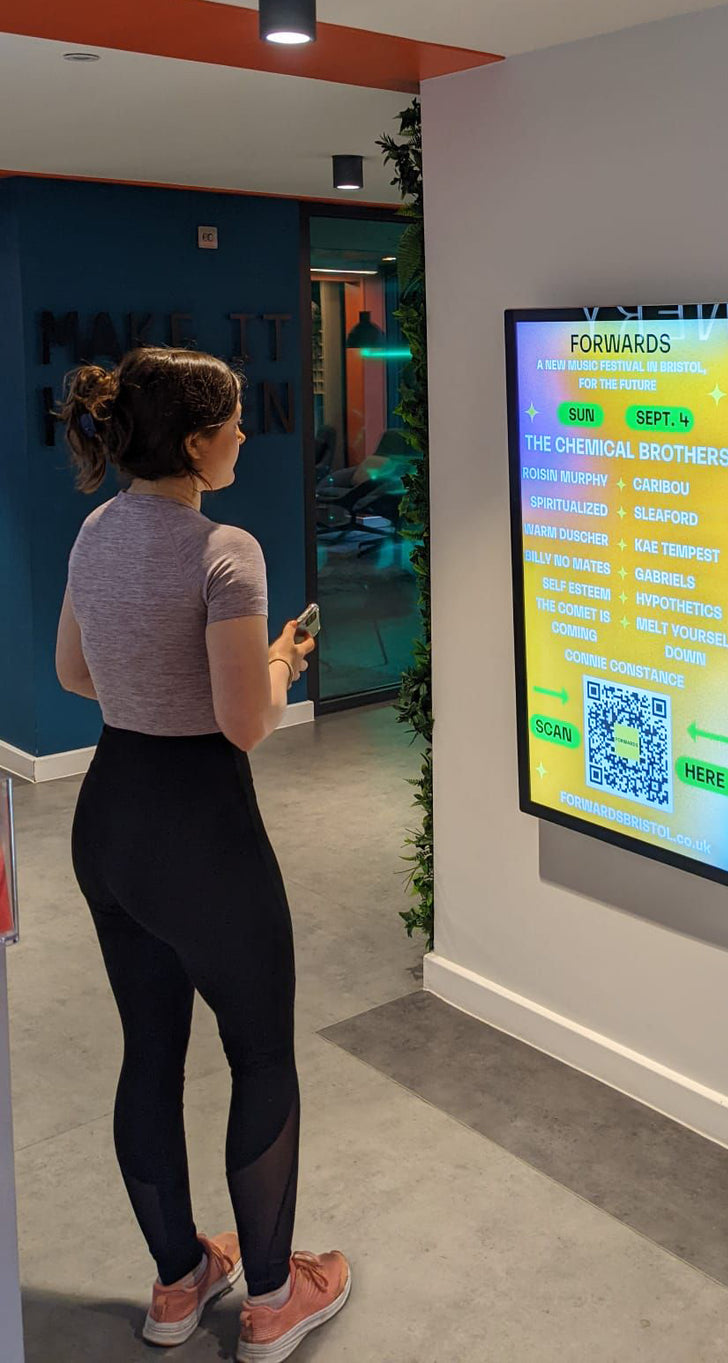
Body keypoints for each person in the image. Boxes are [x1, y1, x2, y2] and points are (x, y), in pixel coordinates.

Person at [54, 347, 351, 1362]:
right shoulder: (228, 553)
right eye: (232, 424)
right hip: (203, 832)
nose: (243, 437)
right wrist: (278, 661)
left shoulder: (94, 532)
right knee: (259, 1053)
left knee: (149, 1052)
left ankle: (178, 1282)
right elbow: (244, 723)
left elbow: (74, 672)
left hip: (111, 820)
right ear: (194, 443)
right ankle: (271, 1300)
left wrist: (160, 677)